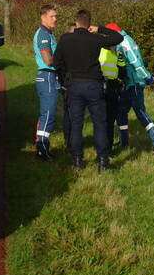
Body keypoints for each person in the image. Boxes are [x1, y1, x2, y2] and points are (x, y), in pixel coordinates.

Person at [53, 10, 123, 171]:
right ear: (88, 23)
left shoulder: (65, 39)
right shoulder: (95, 39)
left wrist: (65, 80)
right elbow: (118, 37)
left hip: (74, 85)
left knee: (76, 124)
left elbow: (57, 63)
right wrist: (100, 29)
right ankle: (103, 162)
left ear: (76, 22)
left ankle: (77, 160)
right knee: (99, 124)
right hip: (94, 85)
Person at [107, 23, 154, 154]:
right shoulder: (122, 41)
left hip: (135, 83)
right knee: (120, 111)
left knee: (140, 112)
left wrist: (147, 77)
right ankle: (124, 142)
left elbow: (136, 63)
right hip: (128, 84)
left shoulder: (124, 42)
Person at [32, 5, 60, 161]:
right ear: (43, 18)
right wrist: (63, 57)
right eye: (52, 16)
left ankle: (42, 146)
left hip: (49, 76)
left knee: (47, 114)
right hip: (47, 76)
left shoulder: (49, 33)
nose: (55, 19)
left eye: (56, 16)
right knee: (48, 114)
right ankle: (42, 149)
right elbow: (48, 60)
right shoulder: (43, 34)